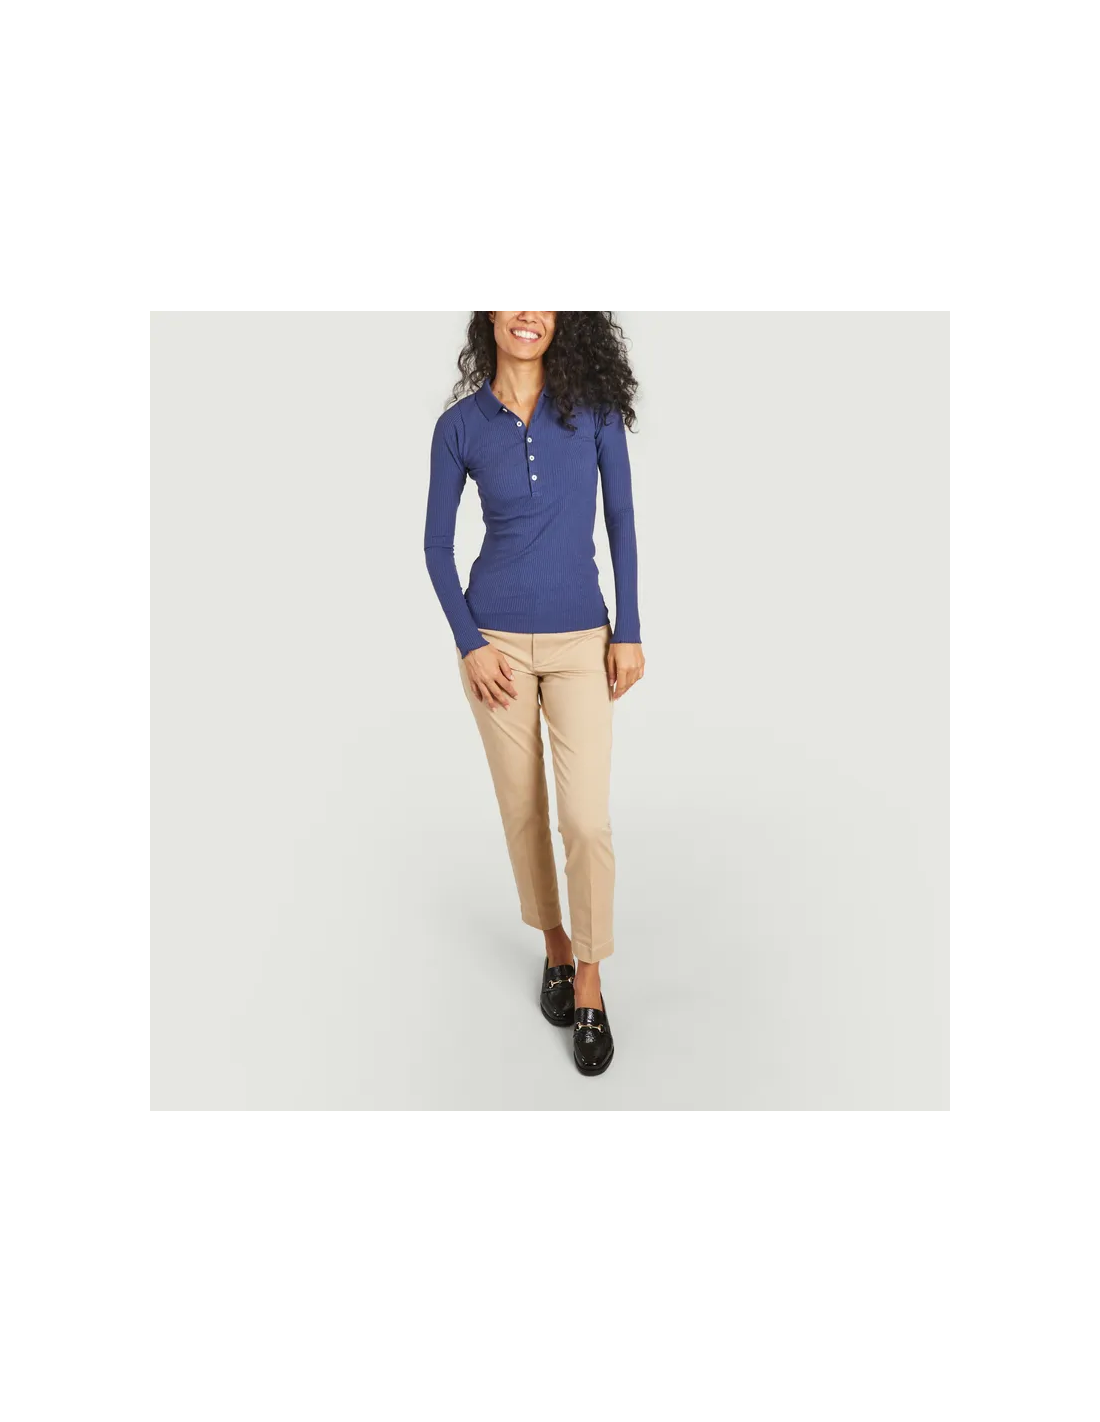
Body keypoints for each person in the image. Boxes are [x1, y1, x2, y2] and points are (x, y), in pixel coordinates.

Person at [423, 312, 645, 1076]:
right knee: (523, 813)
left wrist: (629, 629)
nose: (527, 313)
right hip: (496, 647)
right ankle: (554, 945)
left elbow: (621, 518)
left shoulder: (593, 411)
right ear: (489, 311)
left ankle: (589, 975)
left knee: (585, 819)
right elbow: (435, 546)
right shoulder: (460, 427)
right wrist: (470, 643)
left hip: (583, 641)